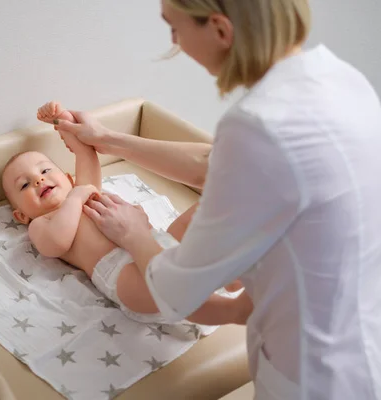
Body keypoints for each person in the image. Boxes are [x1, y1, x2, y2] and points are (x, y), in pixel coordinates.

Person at [52, 1, 381, 399]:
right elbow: (209, 165)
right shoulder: (343, 80)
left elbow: (177, 293)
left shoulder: (258, 126)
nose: (174, 43)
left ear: (221, 31)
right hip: (362, 338)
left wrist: (135, 233)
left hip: (312, 372)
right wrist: (105, 140)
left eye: (175, 29)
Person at [1, 101, 241, 324]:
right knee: (175, 285)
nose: (39, 180)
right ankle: (216, 284)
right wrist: (75, 196)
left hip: (158, 244)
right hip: (122, 274)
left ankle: (227, 273)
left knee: (211, 207)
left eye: (44, 170)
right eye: (24, 184)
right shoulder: (43, 221)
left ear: (67, 178)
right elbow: (55, 243)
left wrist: (61, 121)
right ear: (21, 215)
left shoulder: (85, 193)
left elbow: (84, 153)